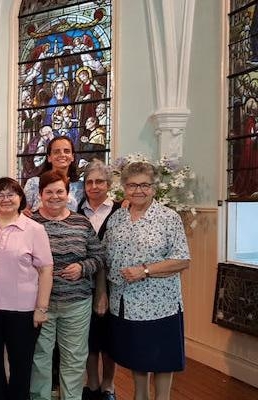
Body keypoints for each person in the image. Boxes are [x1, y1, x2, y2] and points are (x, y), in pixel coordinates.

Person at [103, 161, 191, 400]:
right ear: (124, 188)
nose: (138, 190)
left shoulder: (167, 218)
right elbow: (106, 258)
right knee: (137, 359)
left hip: (161, 305)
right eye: (132, 185)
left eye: (144, 185)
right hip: (126, 305)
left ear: (153, 188)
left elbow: (182, 260)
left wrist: (145, 270)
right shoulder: (116, 219)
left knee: (163, 361)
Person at [0, 177, 53, 400]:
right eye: (0, 194)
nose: (5, 199)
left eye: (11, 194)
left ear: (20, 198)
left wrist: (41, 308)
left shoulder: (34, 229)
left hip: (22, 310)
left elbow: (46, 269)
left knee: (21, 367)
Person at [29, 171, 105, 400]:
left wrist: (83, 267)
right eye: (49, 192)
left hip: (77, 303)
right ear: (40, 194)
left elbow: (100, 256)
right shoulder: (30, 223)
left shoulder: (81, 222)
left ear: (67, 193)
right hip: (40, 305)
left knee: (74, 358)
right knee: (40, 358)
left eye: (59, 191)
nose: (54, 196)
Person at [77, 159, 122, 400]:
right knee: (89, 336)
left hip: (114, 284)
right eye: (89, 182)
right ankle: (91, 382)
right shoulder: (77, 212)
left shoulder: (120, 211)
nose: (94, 186)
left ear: (109, 184)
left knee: (109, 337)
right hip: (84, 281)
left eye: (100, 182)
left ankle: (108, 385)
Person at [24, 136, 85, 213]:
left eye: (66, 151)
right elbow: (23, 213)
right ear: (49, 158)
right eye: (56, 152)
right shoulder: (34, 183)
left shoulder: (80, 187)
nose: (62, 155)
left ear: (72, 157)